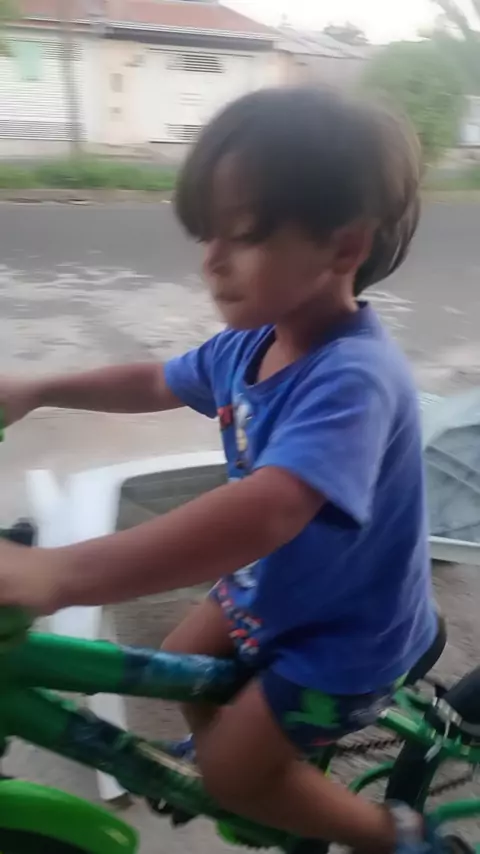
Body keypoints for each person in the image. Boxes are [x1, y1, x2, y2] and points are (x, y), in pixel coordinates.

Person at [0, 87, 444, 854]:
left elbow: (270, 509)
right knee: (173, 665)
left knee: (234, 775)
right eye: (206, 233)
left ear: (343, 249)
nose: (210, 260)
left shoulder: (355, 379)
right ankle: (251, 773)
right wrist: (36, 390)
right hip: (269, 589)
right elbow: (153, 380)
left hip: (345, 635)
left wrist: (59, 574)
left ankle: (394, 836)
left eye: (241, 236)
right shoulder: (250, 343)